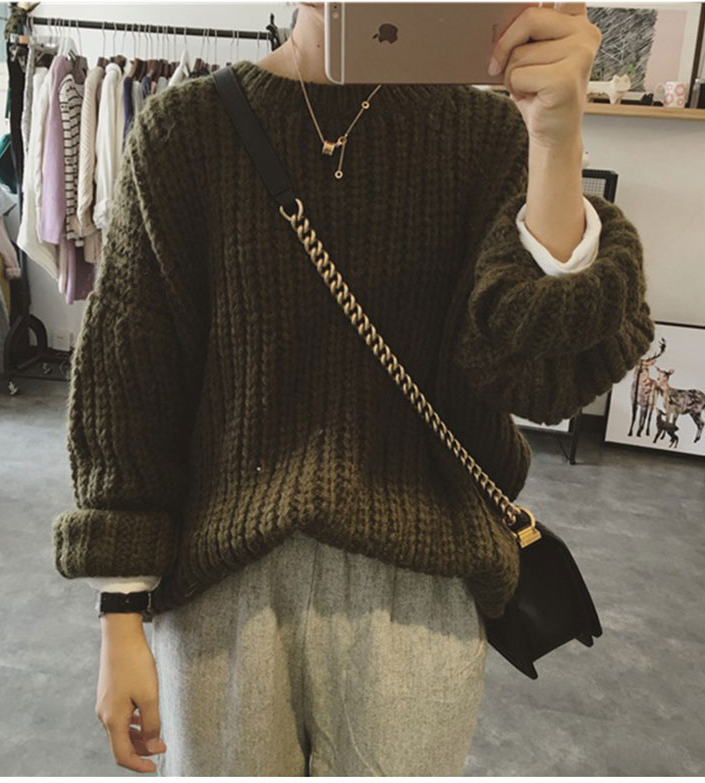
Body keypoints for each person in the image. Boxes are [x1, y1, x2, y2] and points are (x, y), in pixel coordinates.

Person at [52, 1, 654, 776]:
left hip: (420, 586)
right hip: (222, 590)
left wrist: (557, 136)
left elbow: (542, 378)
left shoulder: (488, 138)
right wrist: (120, 609)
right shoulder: (186, 131)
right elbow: (132, 380)